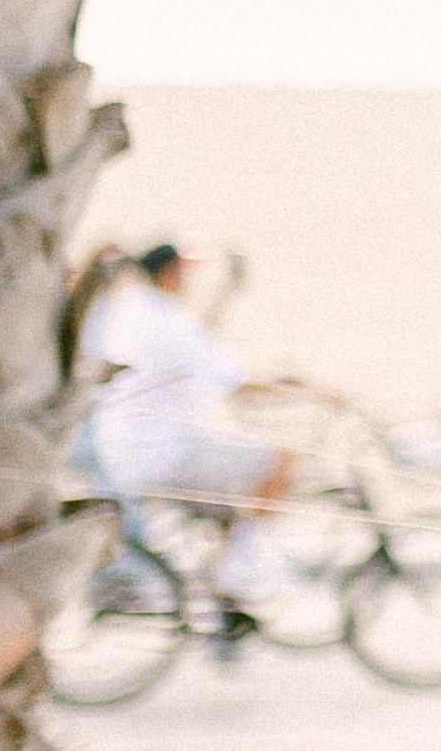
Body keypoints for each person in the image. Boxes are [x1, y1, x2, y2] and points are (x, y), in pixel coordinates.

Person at [75, 240, 292, 573]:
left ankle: (218, 569)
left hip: (118, 452)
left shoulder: (129, 309)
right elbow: (234, 379)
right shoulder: (168, 316)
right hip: (161, 454)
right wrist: (302, 390)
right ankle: (242, 570)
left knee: (228, 471)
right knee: (281, 459)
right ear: (171, 273)